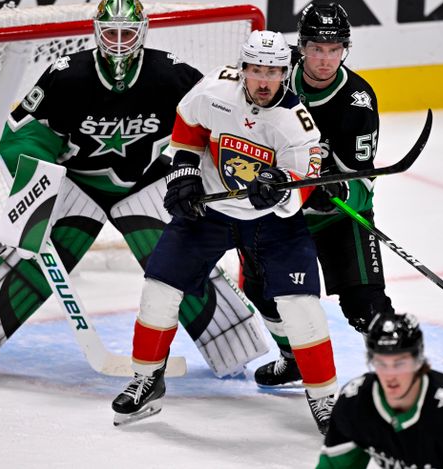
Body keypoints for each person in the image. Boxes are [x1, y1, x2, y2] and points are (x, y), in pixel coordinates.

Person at [0, 0, 268, 381]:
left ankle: (235, 343)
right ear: (97, 33)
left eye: (127, 34)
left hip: (148, 183)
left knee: (181, 258)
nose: (119, 44)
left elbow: (216, 120)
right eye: (111, 33)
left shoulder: (171, 75)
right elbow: (24, 134)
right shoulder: (67, 74)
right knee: (33, 252)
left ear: (143, 33)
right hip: (78, 183)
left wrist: (224, 165)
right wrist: (38, 176)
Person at [110, 29, 338, 435]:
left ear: (286, 73)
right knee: (159, 287)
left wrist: (279, 188)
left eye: (273, 71)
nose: (263, 81)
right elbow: (189, 125)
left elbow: (303, 186)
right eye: (256, 70)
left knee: (300, 305)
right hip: (211, 211)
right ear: (242, 68)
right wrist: (184, 172)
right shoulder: (215, 89)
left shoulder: (296, 126)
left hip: (273, 224)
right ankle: (147, 378)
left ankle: (324, 398)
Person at [245, 3, 394, 389]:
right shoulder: (274, 76)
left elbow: (363, 186)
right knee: (260, 290)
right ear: (302, 46)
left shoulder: (357, 100)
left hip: (335, 216)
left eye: (334, 49)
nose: (325, 59)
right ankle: (292, 358)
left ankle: (399, 381)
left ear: (345, 49)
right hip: (282, 215)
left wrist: (336, 190)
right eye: (316, 48)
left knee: (366, 306)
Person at [317, 313, 443, 468]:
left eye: (399, 363)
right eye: (382, 363)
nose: (390, 376)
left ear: (418, 361)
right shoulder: (355, 402)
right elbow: (334, 465)